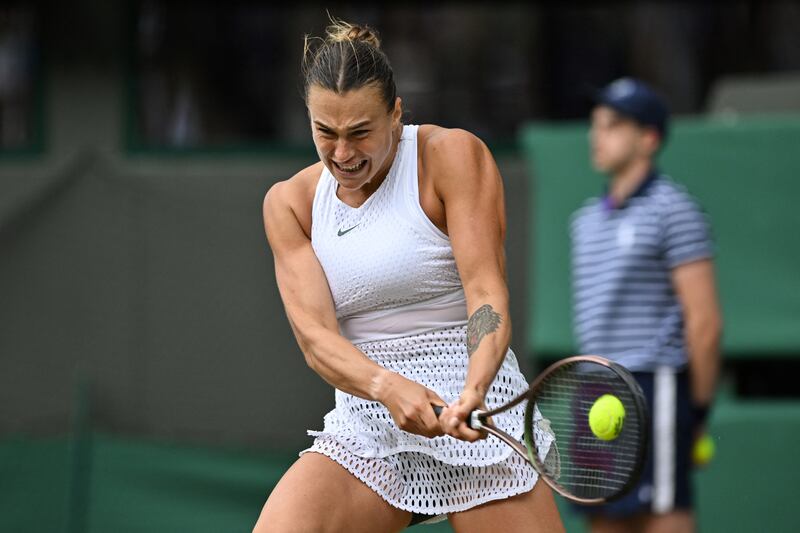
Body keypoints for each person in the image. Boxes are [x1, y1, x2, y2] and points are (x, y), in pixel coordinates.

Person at [253, 19, 564, 533]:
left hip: (474, 415)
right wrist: (385, 386)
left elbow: (486, 294)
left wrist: (476, 386)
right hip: (368, 426)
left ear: (396, 113)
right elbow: (316, 340)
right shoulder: (290, 204)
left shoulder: (451, 156)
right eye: (326, 132)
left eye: (360, 132)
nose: (343, 154)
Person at [568, 77, 723, 533]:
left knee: (664, 516)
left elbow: (705, 322)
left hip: (653, 386)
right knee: (603, 520)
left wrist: (697, 410)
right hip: (595, 386)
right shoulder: (584, 222)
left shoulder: (675, 210)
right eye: (595, 124)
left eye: (614, 125)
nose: (597, 135)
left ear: (649, 139)